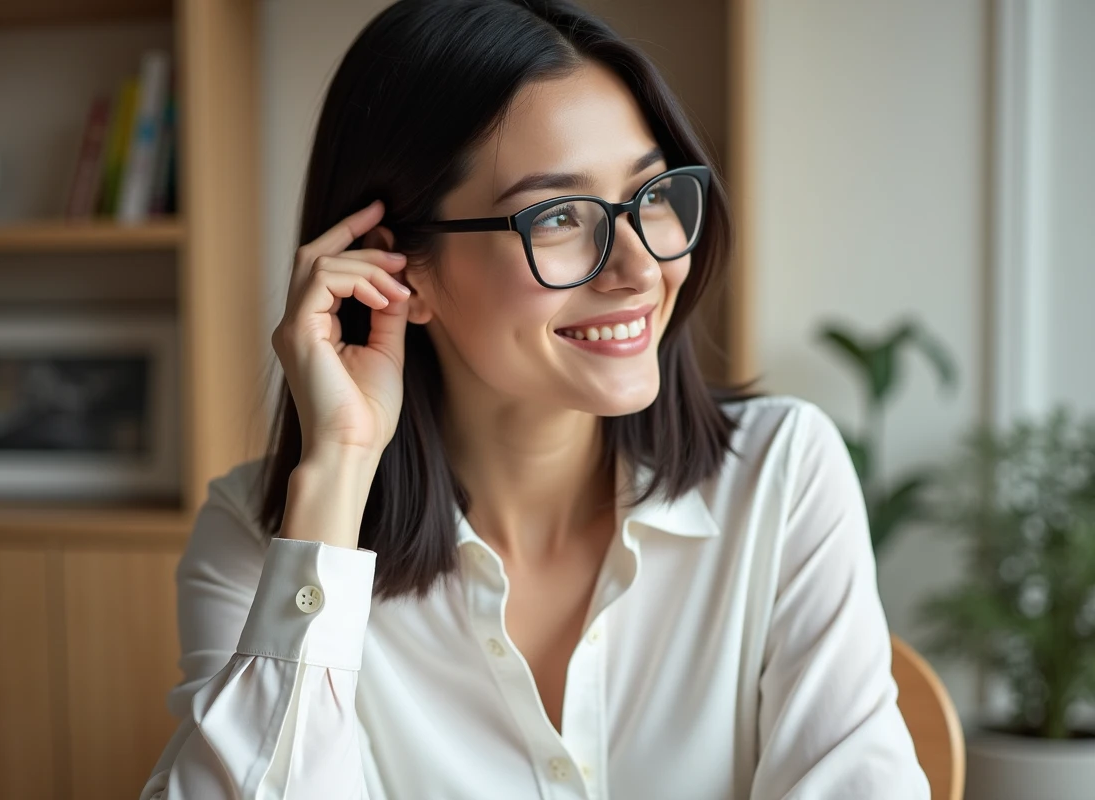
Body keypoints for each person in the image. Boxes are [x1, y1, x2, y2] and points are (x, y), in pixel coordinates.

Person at [140, 0, 929, 797]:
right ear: (400, 272)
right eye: (558, 216)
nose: (639, 270)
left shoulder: (782, 476)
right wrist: (339, 467)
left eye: (652, 194)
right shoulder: (262, 544)